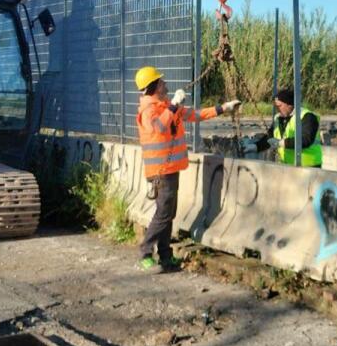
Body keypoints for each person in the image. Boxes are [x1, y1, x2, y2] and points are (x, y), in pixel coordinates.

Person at [135, 65, 239, 273]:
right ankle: (145, 252)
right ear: (153, 86)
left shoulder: (164, 106)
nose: (165, 83)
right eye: (161, 81)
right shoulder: (150, 109)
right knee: (164, 214)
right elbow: (159, 128)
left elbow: (195, 115)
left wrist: (223, 108)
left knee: (169, 214)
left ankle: (165, 256)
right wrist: (173, 105)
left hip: (170, 168)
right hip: (161, 171)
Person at [240, 88, 322, 167]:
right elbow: (270, 138)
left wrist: (281, 143)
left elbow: (306, 139)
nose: (277, 109)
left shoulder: (307, 117)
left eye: (279, 106)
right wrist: (255, 146)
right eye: (275, 106)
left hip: (309, 166)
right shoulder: (278, 118)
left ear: (290, 105)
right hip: (288, 166)